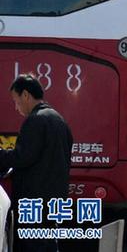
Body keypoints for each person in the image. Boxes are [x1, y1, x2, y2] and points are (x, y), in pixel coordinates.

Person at [0, 75, 73, 252]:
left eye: (16, 101)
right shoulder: (58, 119)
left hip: (34, 200)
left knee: (33, 245)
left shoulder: (35, 120)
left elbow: (22, 157)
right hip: (53, 200)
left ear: (25, 95)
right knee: (47, 243)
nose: (16, 108)